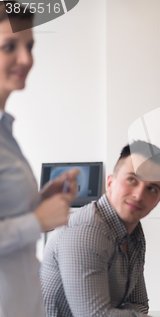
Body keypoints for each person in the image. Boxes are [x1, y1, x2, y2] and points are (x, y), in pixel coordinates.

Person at [41, 141, 160, 317]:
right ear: (110, 182)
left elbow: (138, 304)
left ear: (157, 202)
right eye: (132, 179)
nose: (139, 195)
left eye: (152, 188)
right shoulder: (86, 231)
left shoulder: (134, 234)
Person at [0, 3, 79, 316]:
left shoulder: (6, 132)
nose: (27, 59)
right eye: (9, 47)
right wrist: (37, 221)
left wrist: (39, 200)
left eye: (30, 46)